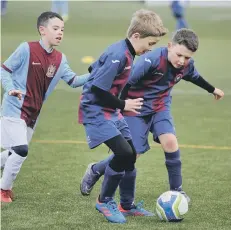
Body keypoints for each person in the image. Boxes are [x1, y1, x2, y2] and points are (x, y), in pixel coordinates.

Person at [80, 28, 224, 209]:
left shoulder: (186, 65)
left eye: (187, 58)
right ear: (170, 46)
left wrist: (212, 89)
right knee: (132, 154)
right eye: (179, 55)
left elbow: (194, 77)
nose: (182, 61)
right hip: (136, 108)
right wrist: (122, 105)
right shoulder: (151, 60)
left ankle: (177, 191)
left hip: (161, 107)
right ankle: (96, 170)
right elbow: (127, 81)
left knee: (170, 142)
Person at [78, 9, 167, 223]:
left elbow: (95, 67)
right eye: (150, 43)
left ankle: (126, 205)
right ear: (136, 36)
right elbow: (99, 90)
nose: (150, 49)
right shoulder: (118, 55)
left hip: (111, 109)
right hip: (95, 110)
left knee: (130, 155)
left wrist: (120, 105)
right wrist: (123, 104)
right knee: (125, 154)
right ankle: (104, 200)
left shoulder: (128, 53)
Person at [0, 11, 89, 203]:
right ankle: (3, 189)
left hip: (33, 114)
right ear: (42, 30)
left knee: (13, 153)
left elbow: (74, 81)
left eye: (62, 29)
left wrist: (97, 72)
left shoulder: (60, 59)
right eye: (55, 28)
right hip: (13, 109)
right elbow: (4, 70)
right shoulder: (26, 49)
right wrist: (10, 88)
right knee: (21, 150)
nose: (60, 33)